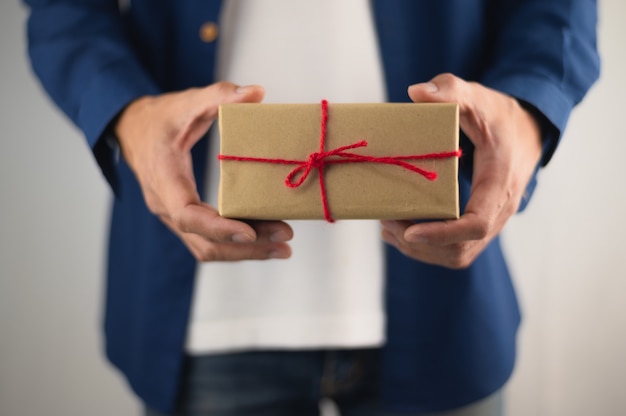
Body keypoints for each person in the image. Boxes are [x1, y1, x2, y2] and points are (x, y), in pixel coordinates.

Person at [23, 0, 599, 415]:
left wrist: (526, 117)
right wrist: (129, 113)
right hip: (204, 313)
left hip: (442, 310)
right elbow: (62, 11)